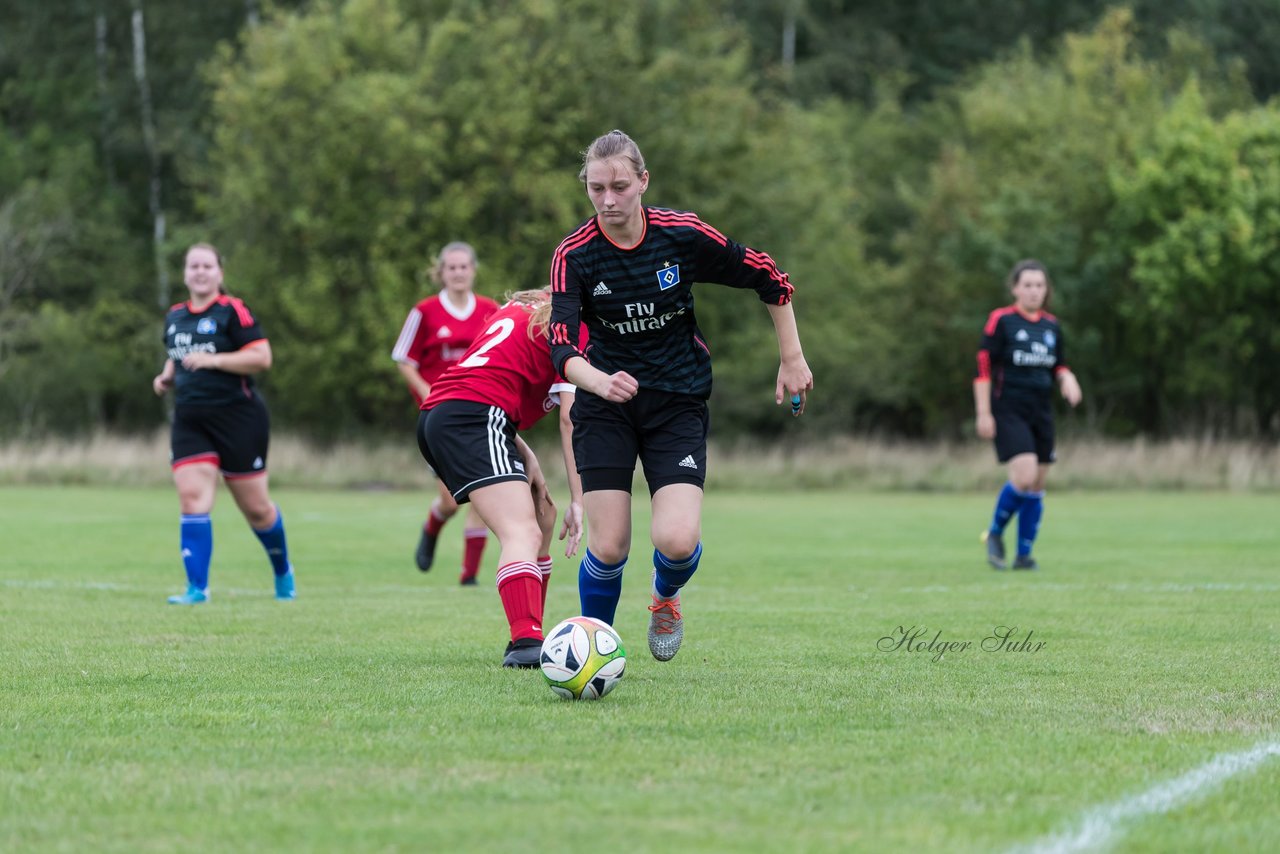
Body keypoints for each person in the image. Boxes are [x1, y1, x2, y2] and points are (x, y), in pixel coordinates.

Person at [548, 129, 813, 663]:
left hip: (677, 401)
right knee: (609, 544)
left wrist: (792, 357)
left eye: (620, 186)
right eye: (596, 188)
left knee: (675, 539)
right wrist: (599, 382)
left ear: (643, 182)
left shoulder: (681, 235)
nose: (608, 200)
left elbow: (770, 278)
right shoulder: (573, 255)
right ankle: (590, 651)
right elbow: (560, 346)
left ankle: (665, 598)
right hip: (605, 405)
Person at [417, 288, 584, 668]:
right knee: (521, 532)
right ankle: (526, 642)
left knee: (542, 518)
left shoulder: (521, 309)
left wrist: (529, 459)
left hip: (447, 413)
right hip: (474, 416)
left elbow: (490, 378)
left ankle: (531, 632)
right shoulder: (571, 328)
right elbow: (570, 419)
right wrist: (580, 498)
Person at [152, 243, 295, 604]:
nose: (200, 272)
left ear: (219, 272)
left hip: (238, 419)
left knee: (257, 510)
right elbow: (178, 356)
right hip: (190, 419)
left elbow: (262, 357)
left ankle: (282, 571)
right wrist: (166, 376)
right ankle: (196, 588)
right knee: (192, 496)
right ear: (185, 273)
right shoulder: (174, 316)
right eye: (193, 266)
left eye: (207, 266)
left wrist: (213, 361)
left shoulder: (233, 311)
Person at [392, 242, 500, 584]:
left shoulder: (490, 310)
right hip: (439, 419)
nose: (457, 272)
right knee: (452, 502)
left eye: (463, 266)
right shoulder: (424, 312)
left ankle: (468, 577)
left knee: (484, 496)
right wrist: (428, 392)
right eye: (451, 267)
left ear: (473, 270)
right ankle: (433, 525)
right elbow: (403, 360)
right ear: (441, 272)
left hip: (480, 415)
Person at [974, 259, 1082, 571]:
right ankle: (994, 533)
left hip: (1041, 411)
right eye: (1028, 285)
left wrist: (1067, 377)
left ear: (1046, 290)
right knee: (1024, 476)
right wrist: (983, 413)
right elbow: (983, 368)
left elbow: (1059, 364)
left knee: (1037, 485)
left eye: (1039, 285)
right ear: (1015, 289)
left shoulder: (1051, 325)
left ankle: (1024, 555)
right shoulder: (1002, 320)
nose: (1034, 291)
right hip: (1009, 409)